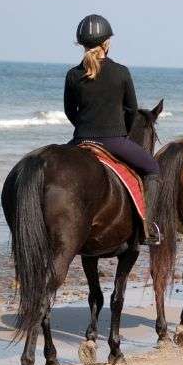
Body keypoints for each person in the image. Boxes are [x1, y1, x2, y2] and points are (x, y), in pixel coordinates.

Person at [64, 14, 162, 245]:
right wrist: (123, 134)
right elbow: (131, 110)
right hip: (113, 140)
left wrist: (84, 129)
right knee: (153, 168)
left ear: (81, 45)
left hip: (80, 141)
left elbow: (70, 111)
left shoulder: (73, 75)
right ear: (107, 43)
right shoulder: (121, 72)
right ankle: (147, 229)